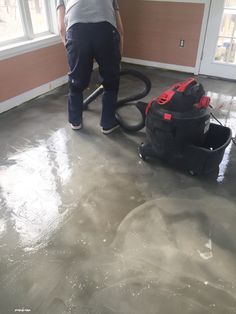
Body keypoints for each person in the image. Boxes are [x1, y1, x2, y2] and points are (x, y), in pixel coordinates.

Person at [56, 0, 124, 134]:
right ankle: (107, 124)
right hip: (105, 32)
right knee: (111, 81)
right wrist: (118, 58)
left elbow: (61, 29)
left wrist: (72, 50)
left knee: (76, 82)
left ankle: (75, 121)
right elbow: (120, 30)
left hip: (77, 32)